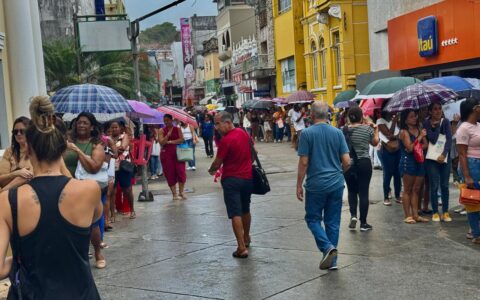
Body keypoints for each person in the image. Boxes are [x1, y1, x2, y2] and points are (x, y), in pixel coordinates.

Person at [0, 96, 102, 298]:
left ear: (27, 148)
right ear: (63, 148)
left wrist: (19, 258)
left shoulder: (8, 200)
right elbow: (93, 218)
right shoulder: (89, 190)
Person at [296, 101, 350, 270]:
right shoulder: (337, 132)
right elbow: (347, 161)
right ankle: (332, 262)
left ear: (311, 116)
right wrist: (338, 172)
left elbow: (304, 162)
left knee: (312, 219)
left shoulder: (306, 134)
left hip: (316, 185)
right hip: (336, 183)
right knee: (333, 222)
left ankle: (327, 248)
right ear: (327, 115)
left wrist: (298, 184)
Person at [64, 112, 107, 269]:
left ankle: (97, 252)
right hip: (66, 187)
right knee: (69, 223)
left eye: (85, 123)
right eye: (79, 122)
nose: (81, 125)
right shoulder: (67, 141)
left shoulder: (97, 145)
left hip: (87, 189)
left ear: (92, 126)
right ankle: (78, 254)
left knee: (91, 224)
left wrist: (77, 150)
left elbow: (95, 167)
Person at [208, 112, 253, 259]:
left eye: (217, 124)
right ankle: (246, 238)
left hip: (232, 180)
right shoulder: (243, 133)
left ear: (227, 122)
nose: (216, 127)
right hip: (247, 178)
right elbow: (253, 152)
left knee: (235, 213)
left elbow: (218, 162)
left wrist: (212, 170)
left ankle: (241, 247)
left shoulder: (226, 141)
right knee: (245, 209)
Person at [343, 107, 379, 231]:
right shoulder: (367, 129)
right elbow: (375, 143)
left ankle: (353, 216)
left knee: (351, 191)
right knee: (363, 192)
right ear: (361, 116)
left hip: (348, 163)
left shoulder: (344, 130)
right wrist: (376, 130)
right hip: (364, 163)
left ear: (348, 117)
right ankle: (363, 224)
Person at [423, 102, 453, 222]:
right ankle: (435, 212)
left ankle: (445, 212)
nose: (438, 111)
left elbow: (449, 139)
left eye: (439, 109)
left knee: (445, 185)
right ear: (430, 111)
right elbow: (433, 139)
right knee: (434, 185)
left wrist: (444, 154)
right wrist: (435, 127)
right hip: (431, 160)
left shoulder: (445, 121)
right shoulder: (426, 123)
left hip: (444, 158)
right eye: (435, 109)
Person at [456, 98, 480, 244]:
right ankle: (476, 234)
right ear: (474, 109)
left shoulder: (478, 125)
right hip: (471, 164)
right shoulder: (463, 128)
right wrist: (467, 176)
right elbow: (462, 153)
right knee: (473, 200)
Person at [399, 109, 429, 224]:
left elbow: (426, 145)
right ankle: (408, 215)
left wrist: (417, 145)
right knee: (407, 190)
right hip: (408, 162)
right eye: (411, 117)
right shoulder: (404, 132)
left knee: (416, 190)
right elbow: (410, 148)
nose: (415, 118)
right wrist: (420, 138)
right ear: (405, 120)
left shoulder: (419, 129)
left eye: (415, 116)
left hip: (419, 160)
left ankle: (416, 215)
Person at [110, 120, 135, 218]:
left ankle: (132, 210)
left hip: (124, 166)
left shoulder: (124, 136)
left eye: (116, 127)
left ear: (120, 128)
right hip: (112, 167)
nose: (114, 129)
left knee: (127, 190)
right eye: (112, 127)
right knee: (112, 191)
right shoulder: (108, 138)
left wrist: (111, 149)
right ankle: (112, 214)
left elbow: (123, 147)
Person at [0, 117, 33, 189]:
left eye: (22, 131)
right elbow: (1, 180)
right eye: (15, 132)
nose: (18, 134)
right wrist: (15, 174)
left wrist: (2, 192)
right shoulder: (9, 151)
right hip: (10, 194)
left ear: (29, 132)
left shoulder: (37, 150)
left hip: (29, 193)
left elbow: (29, 175)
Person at [159, 114, 187, 200]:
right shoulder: (162, 130)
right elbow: (161, 143)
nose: (166, 122)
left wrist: (171, 142)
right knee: (169, 173)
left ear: (172, 120)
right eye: (165, 120)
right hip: (166, 154)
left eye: (168, 120)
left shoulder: (177, 129)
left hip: (178, 153)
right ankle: (174, 194)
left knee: (181, 172)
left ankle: (181, 192)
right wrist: (167, 135)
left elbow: (182, 139)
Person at [377, 110, 402, 205]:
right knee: (388, 173)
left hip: (397, 149)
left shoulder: (394, 119)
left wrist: (396, 122)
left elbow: (399, 133)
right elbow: (389, 134)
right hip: (386, 151)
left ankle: (397, 195)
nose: (391, 111)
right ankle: (386, 197)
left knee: (397, 173)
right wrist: (394, 122)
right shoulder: (380, 121)